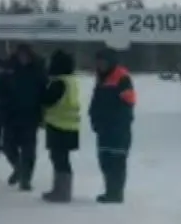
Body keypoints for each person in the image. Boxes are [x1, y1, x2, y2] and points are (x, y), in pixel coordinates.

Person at [88, 47, 137, 203]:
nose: (100, 65)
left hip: (118, 128)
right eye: (98, 62)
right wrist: (94, 119)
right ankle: (110, 190)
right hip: (103, 128)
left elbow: (128, 102)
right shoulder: (101, 78)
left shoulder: (122, 78)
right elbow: (95, 101)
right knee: (105, 160)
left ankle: (115, 193)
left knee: (117, 161)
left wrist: (118, 123)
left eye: (103, 62)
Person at [0, 42, 47, 190]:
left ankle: (26, 179)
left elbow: (44, 90)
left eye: (26, 55)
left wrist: (42, 112)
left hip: (31, 114)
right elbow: (1, 87)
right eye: (21, 55)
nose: (23, 58)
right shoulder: (9, 67)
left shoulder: (38, 69)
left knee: (28, 149)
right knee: (7, 146)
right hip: (11, 113)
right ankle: (18, 168)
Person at [38, 49, 81, 202]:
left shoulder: (59, 82)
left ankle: (62, 192)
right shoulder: (71, 80)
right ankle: (61, 190)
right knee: (62, 158)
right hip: (71, 125)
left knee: (59, 158)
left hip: (58, 125)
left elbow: (48, 99)